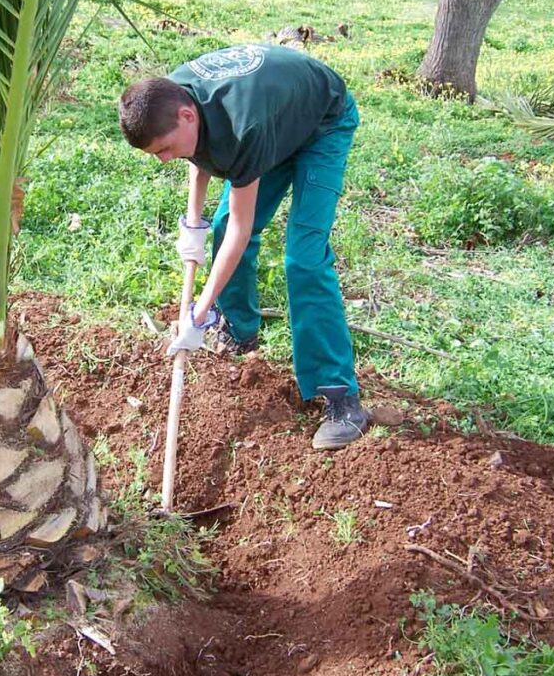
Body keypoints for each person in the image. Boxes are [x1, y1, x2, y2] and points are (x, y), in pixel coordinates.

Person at [118, 43, 369, 450]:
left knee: (303, 258)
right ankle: (239, 330)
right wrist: (193, 222)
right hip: (277, 119)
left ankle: (342, 399)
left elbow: (241, 228)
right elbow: (198, 157)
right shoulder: (174, 92)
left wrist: (197, 316)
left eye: (164, 149)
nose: (164, 159)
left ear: (186, 116)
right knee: (216, 224)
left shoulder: (243, 128)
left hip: (322, 122)